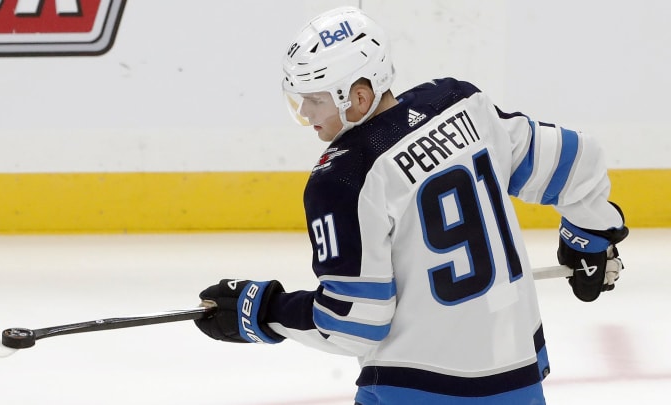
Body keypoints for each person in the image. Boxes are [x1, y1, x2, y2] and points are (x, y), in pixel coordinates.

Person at [194, 6, 629, 404]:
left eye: (315, 98)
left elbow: (353, 323)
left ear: (359, 96)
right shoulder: (461, 105)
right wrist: (590, 236)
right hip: (519, 379)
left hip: (417, 387)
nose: (306, 113)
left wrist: (264, 310)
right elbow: (576, 159)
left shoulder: (343, 179)